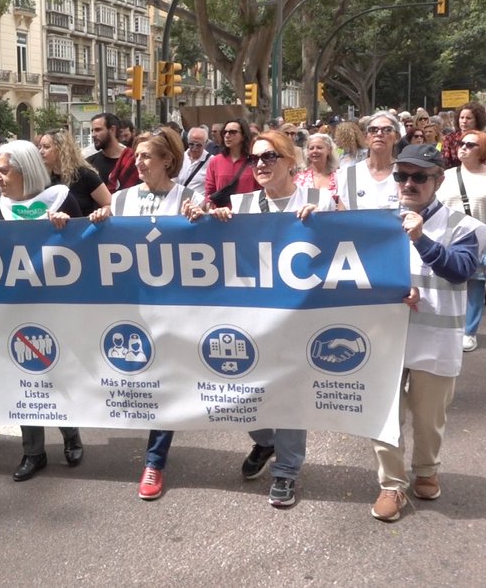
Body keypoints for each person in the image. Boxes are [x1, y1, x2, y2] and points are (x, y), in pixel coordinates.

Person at [204, 130, 334, 509]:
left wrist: (325, 222)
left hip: (299, 320)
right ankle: (266, 440)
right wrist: (207, 221)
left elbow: (349, 248)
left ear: (290, 161)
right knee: (234, 390)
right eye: (255, 157)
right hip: (251, 321)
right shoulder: (241, 205)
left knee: (289, 396)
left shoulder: (319, 200)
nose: (260, 164)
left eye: (270, 157)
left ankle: (287, 471)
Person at [370, 143, 486, 522]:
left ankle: (426, 469)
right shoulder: (375, 221)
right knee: (384, 416)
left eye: (418, 176)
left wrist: (422, 239)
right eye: (401, 175)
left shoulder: (464, 226)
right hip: (386, 338)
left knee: (428, 418)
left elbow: (460, 270)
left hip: (435, 341)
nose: (408, 183)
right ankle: (391, 485)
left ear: (438, 180)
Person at [88, 127, 204, 500]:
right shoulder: (121, 199)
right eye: (136, 156)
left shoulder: (189, 197)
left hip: (174, 309)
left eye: (146, 157)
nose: (138, 162)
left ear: (167, 160)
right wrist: (96, 220)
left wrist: (199, 218)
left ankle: (154, 461)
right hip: (130, 307)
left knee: (169, 380)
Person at [0, 140, 83, 482]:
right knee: (23, 378)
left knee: (57, 375)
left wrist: (70, 229)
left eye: (4, 171)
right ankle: (32, 452)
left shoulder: (62, 200)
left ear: (27, 169)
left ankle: (71, 435)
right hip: (15, 310)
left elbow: (92, 246)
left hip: (57, 306)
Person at [436, 130, 486, 352]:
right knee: (448, 284)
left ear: (482, 150)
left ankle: (469, 332)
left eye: (470, 145)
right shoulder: (447, 175)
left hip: (479, 238)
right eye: (462, 143)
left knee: (475, 286)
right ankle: (448, 328)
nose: (463, 147)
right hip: (449, 238)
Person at [38, 129, 110, 216]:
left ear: (61, 149)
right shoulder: (43, 179)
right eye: (39, 147)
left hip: (84, 227)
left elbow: (109, 204)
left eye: (46, 147)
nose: (41, 151)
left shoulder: (84, 174)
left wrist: (100, 213)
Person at [337, 111, 400, 211]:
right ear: (366, 137)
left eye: (387, 130)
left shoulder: (405, 174)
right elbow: (341, 216)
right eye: (373, 130)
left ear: (397, 137)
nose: (379, 134)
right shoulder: (349, 174)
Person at [204, 119, 258, 206]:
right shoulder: (215, 161)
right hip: (221, 216)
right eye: (225, 132)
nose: (227, 135)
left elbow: (260, 190)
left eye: (232, 132)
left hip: (247, 215)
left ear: (243, 136)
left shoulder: (254, 161)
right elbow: (209, 192)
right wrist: (210, 208)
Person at [86, 113, 137, 192]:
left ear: (112, 130)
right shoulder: (89, 165)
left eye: (98, 130)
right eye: (92, 131)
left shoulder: (134, 160)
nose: (93, 135)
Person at [294, 132, 341, 201]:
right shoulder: (299, 178)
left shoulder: (339, 176)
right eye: (311, 148)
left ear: (329, 150)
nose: (315, 151)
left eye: (319, 148)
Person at [440, 103, 486, 169]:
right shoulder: (449, 138)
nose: (464, 121)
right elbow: (445, 162)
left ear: (477, 120)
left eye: (468, 118)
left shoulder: (485, 139)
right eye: (462, 118)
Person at [177, 125, 211, 196]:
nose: (194, 148)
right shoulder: (179, 158)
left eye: (199, 145)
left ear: (205, 144)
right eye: (191, 144)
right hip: (178, 202)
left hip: (197, 205)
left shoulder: (212, 161)